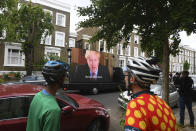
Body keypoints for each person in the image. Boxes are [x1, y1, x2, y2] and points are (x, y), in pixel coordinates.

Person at [123, 57, 177, 131]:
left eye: (125, 75)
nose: (124, 78)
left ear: (132, 79)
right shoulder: (161, 102)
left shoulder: (136, 105)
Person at [26, 60, 69, 131]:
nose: (65, 78)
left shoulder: (37, 96)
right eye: (64, 75)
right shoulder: (53, 110)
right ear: (60, 79)